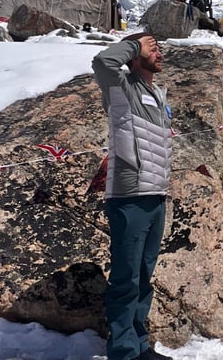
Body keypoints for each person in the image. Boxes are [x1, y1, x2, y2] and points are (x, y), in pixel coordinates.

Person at [91, 33, 173, 360]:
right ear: (135, 55)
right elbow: (101, 62)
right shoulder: (121, 89)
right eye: (152, 47)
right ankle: (123, 351)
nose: (160, 51)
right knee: (126, 279)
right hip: (129, 196)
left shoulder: (157, 93)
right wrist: (135, 44)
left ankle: (139, 345)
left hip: (155, 196)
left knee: (143, 277)